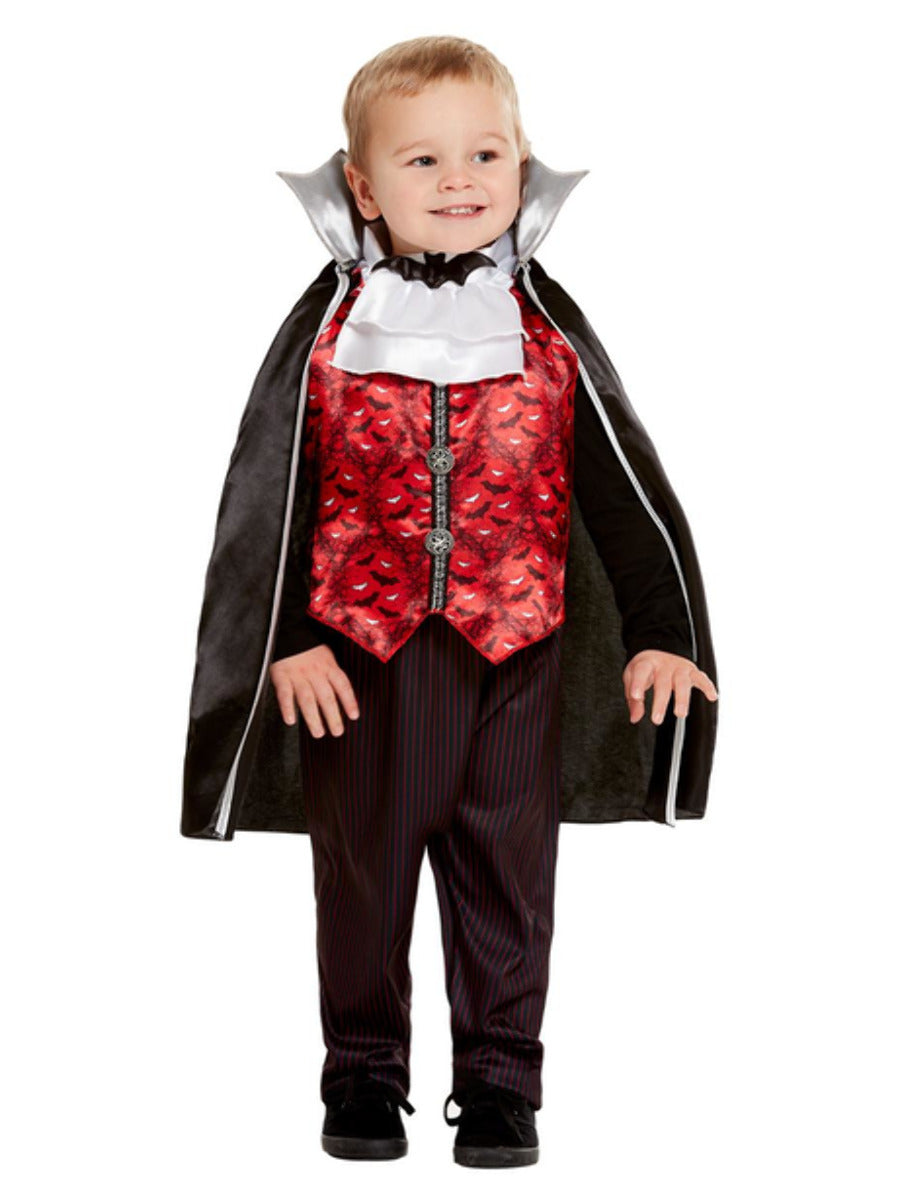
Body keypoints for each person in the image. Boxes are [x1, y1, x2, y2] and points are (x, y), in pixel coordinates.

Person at [181, 35, 719, 1169]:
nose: (460, 178)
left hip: (520, 654)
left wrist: (663, 633)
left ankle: (501, 1086)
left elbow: (621, 492)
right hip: (359, 662)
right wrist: (288, 642)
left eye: (485, 153)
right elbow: (274, 500)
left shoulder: (547, 337)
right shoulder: (330, 339)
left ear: (523, 166)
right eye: (422, 160)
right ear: (364, 187)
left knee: (509, 883)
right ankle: (363, 1077)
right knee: (363, 880)